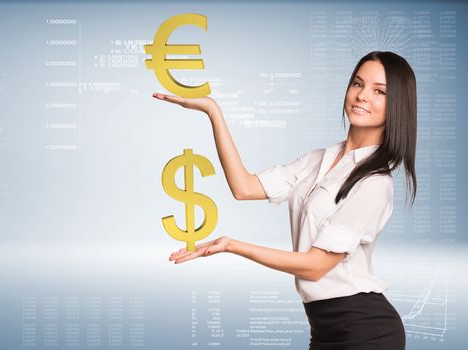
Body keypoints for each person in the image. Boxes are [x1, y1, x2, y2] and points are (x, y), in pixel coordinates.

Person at [155, 51, 416, 350]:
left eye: (379, 91)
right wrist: (213, 111)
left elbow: (316, 266)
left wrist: (233, 246)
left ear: (397, 105)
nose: (361, 96)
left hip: (366, 330)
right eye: (357, 84)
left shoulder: (375, 183)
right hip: (323, 328)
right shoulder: (318, 159)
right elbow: (244, 187)